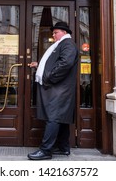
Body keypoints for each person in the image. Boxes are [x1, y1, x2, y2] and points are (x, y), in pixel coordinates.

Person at [27, 21, 78, 160]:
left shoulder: (67, 44)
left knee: (53, 117)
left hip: (59, 88)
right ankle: (63, 148)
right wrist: (40, 65)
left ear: (64, 33)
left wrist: (49, 77)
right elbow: (56, 62)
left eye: (56, 32)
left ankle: (45, 150)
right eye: (53, 33)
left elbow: (65, 63)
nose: (53, 35)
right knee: (59, 117)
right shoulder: (62, 45)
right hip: (59, 88)